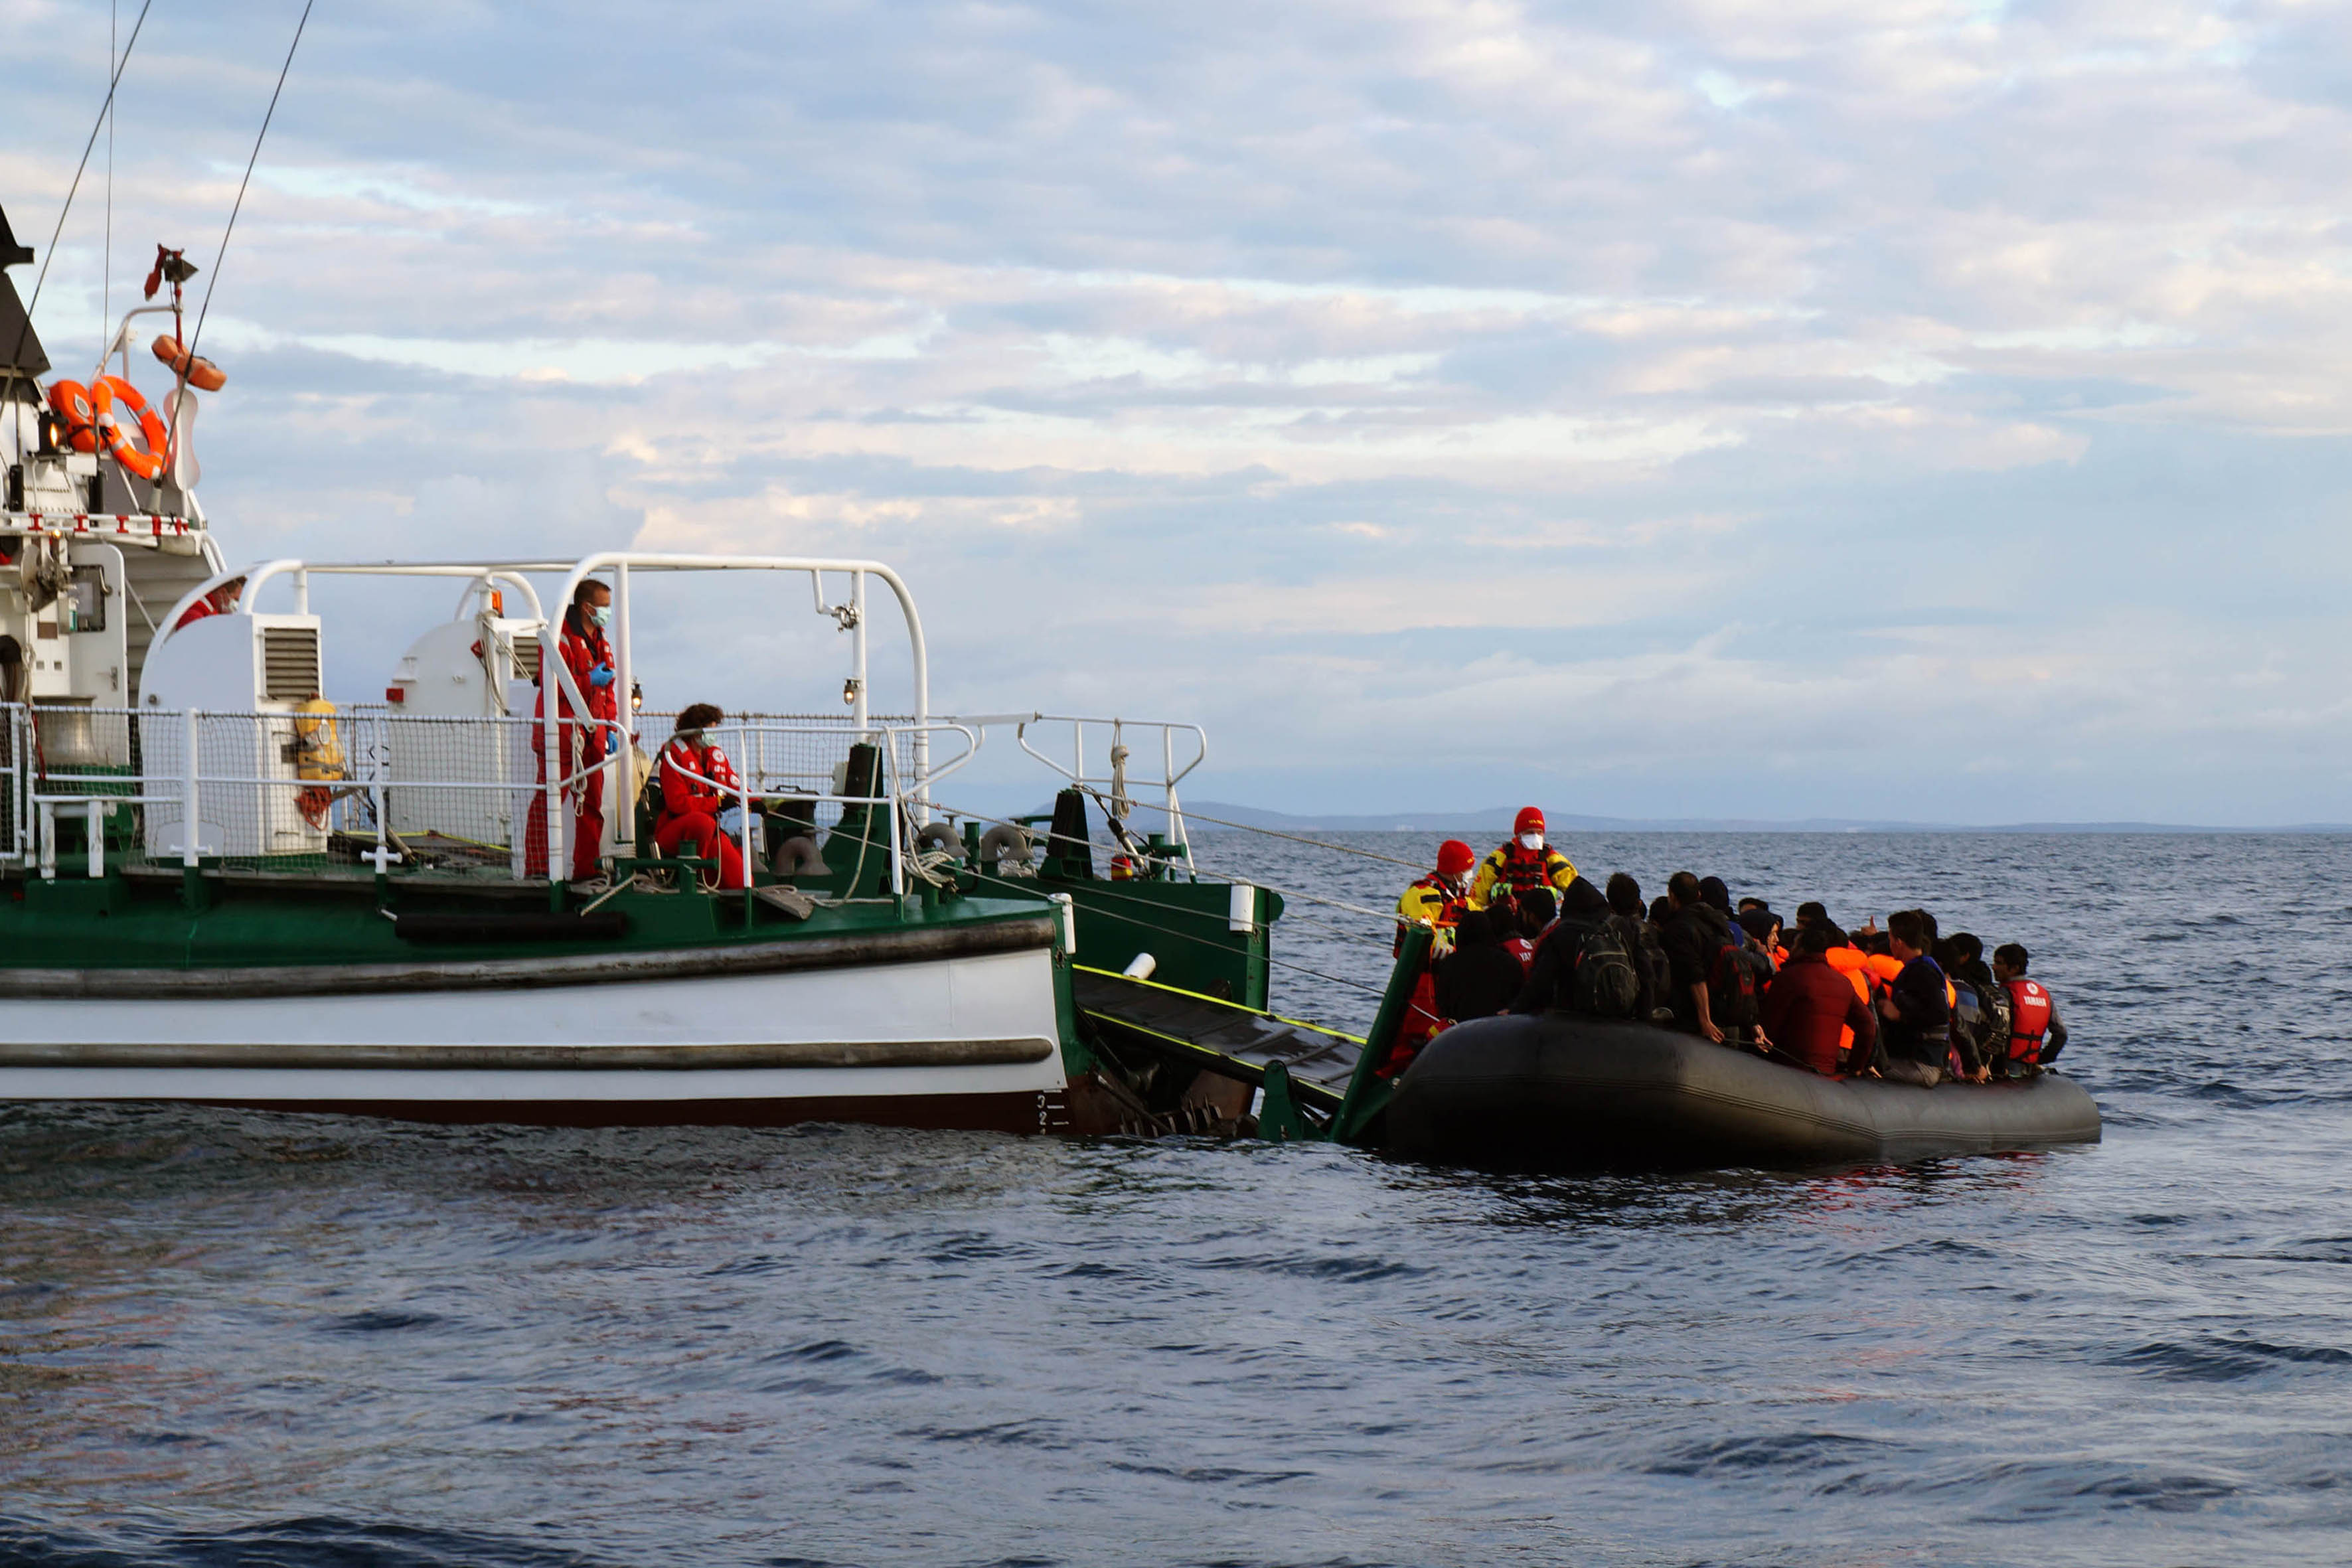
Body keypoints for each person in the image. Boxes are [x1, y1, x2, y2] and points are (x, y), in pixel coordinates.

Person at [524, 576, 621, 884]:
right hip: (562, 734)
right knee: (548, 801)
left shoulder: (601, 639)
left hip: (593, 735)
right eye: (604, 607)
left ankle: (586, 869)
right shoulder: (559, 637)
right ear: (586, 606)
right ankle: (537, 869)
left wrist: (610, 725)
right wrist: (588, 681)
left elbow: (610, 689)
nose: (607, 612)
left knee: (592, 805)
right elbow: (554, 686)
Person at [653, 702, 750, 890]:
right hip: (674, 830)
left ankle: (719, 883)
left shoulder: (713, 755)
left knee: (741, 881)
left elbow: (733, 783)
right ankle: (695, 876)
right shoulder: (673, 756)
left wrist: (755, 802)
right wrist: (717, 803)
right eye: (710, 729)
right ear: (696, 731)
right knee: (702, 823)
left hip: (710, 832)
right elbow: (677, 804)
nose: (713, 734)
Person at [1760, 925, 1879, 1075]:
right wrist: (1855, 1066)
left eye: (1795, 946)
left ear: (1801, 949)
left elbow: (1769, 1026)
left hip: (1787, 1067)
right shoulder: (1843, 983)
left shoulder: (1788, 977)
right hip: (1827, 1071)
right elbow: (1868, 1026)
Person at [1660, 870, 1750, 1044]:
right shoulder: (1718, 922)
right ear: (1698, 894)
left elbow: (1695, 975)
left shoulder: (1678, 928)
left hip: (1697, 1018)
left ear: (1672, 896)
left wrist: (1705, 1019)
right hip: (1727, 1012)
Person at [1876, 909, 1952, 1085]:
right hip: (1915, 1058)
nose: (1889, 945)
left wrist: (1900, 1015)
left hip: (1922, 1064)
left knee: (1868, 1065)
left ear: (1898, 942)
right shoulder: (1919, 967)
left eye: (1890, 940)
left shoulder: (1922, 971)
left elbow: (1940, 1014)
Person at [1469, 807, 1578, 910]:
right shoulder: (1498, 858)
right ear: (1519, 834)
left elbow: (1577, 890)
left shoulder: (1552, 859)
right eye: (1530, 832)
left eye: (1539, 832)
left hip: (1541, 922)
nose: (1536, 836)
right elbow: (1477, 898)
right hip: (1506, 921)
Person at [1435, 909, 1527, 1025]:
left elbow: (1442, 1006)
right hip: (1502, 1031)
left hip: (1460, 1033)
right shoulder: (1510, 962)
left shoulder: (1449, 964)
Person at [1992, 943, 2070, 1075]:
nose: (1994, 967)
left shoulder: (2005, 994)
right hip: (2030, 1067)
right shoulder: (2044, 994)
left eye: (1999, 963)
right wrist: (2042, 1059)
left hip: (2005, 1066)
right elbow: (2061, 1034)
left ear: (2014, 968)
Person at [173, 575, 244, 629]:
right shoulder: (194, 616)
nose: (236, 605)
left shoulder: (211, 614)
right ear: (222, 593)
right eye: (235, 599)